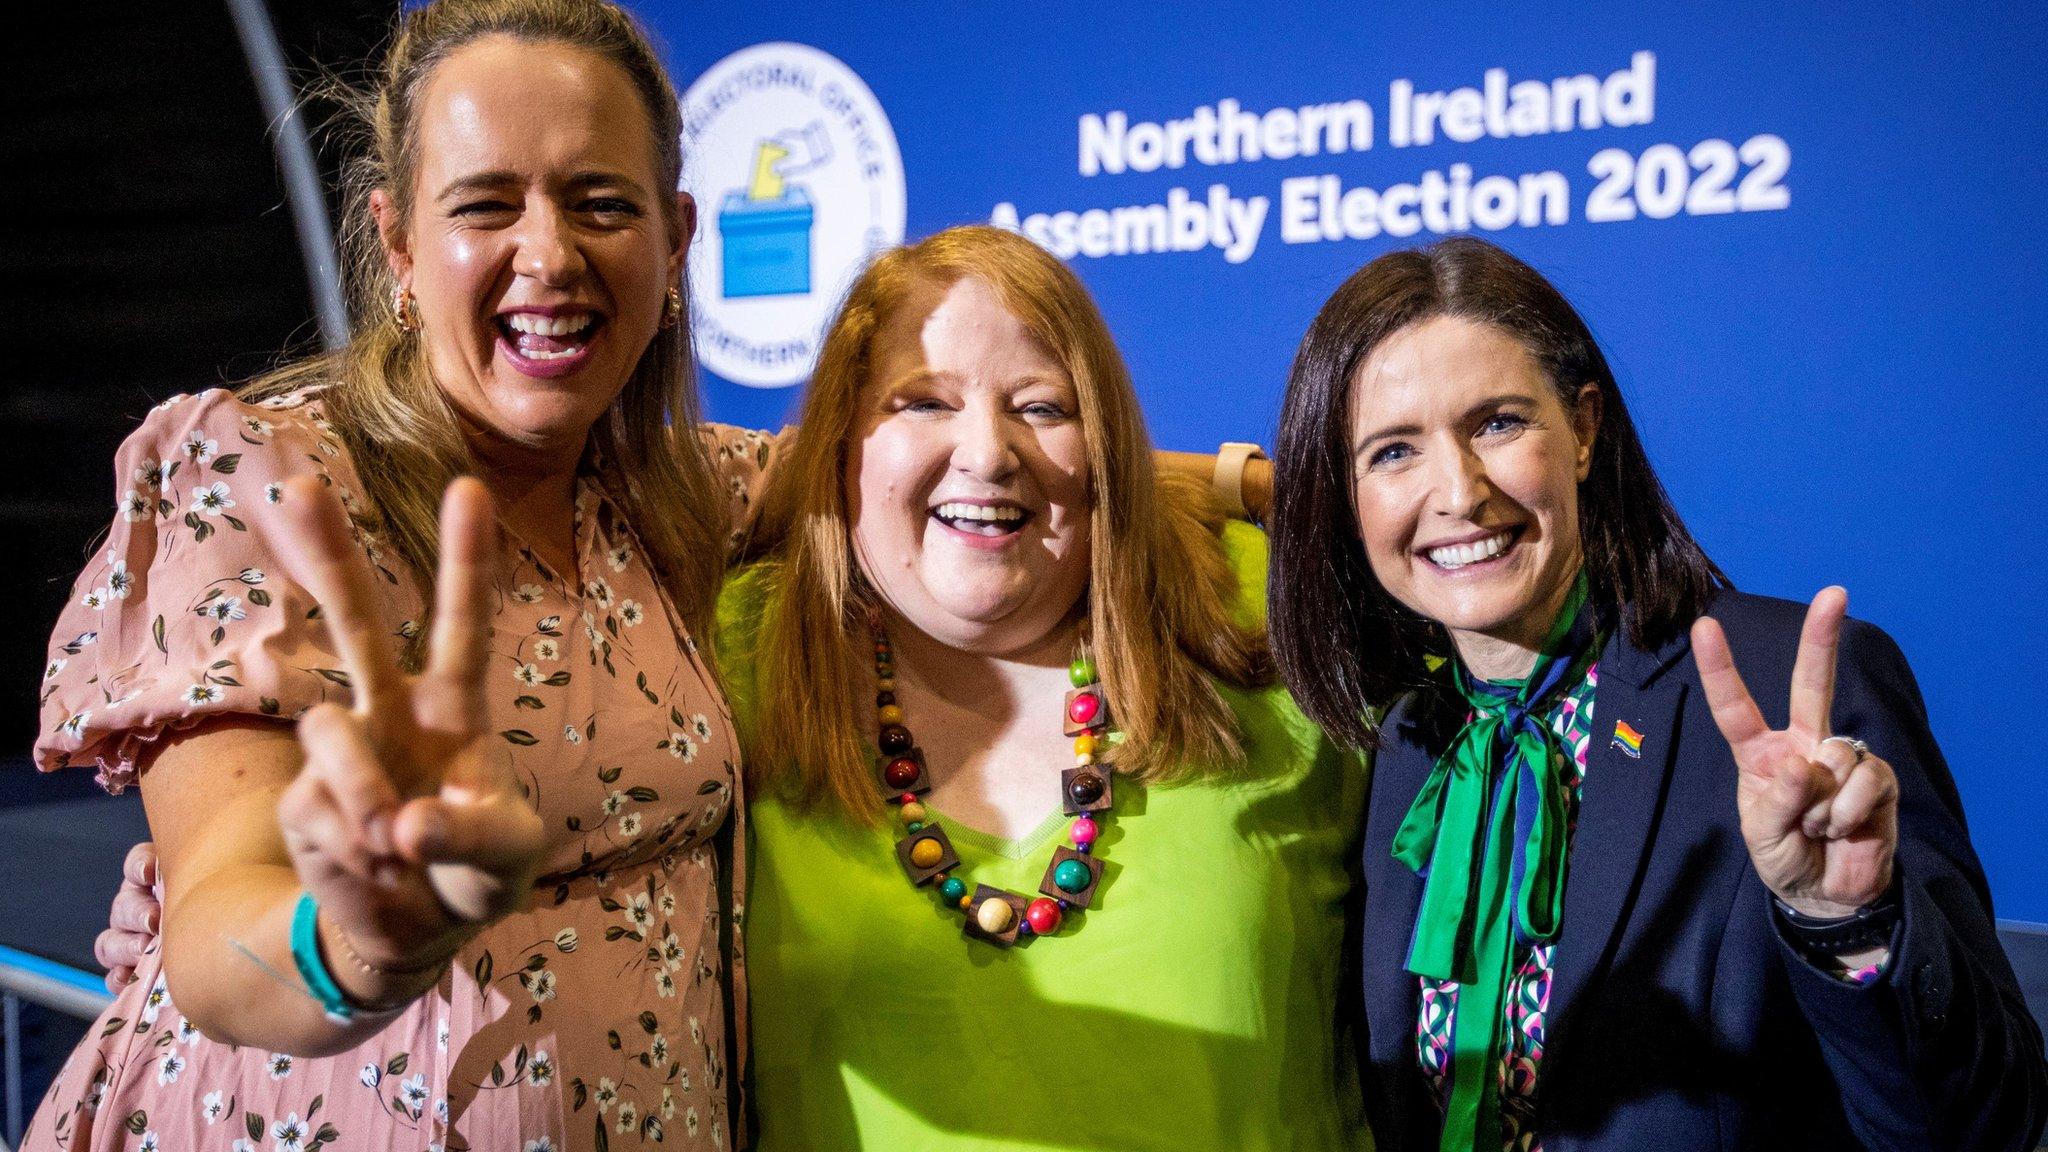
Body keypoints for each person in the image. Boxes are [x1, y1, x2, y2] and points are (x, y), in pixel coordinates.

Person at [29, 2, 750, 1148]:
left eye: (600, 203)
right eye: (485, 205)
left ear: (674, 241)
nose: (549, 255)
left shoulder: (676, 494)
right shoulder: (267, 481)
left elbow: (976, 469)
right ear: (401, 246)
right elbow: (221, 928)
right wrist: (357, 934)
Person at [1266, 236, 2047, 1151]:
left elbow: (1985, 1128)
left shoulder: (1787, 694)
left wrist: (1846, 921)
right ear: (1344, 495)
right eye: (1392, 451)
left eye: (1497, 424)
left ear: (1585, 431)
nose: (1458, 492)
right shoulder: (1403, 744)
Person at [715, 225, 1367, 1150]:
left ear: (1105, 446)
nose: (987, 451)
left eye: (1043, 407)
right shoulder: (729, 655)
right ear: (838, 442)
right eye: (923, 402)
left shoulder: (1269, 618)